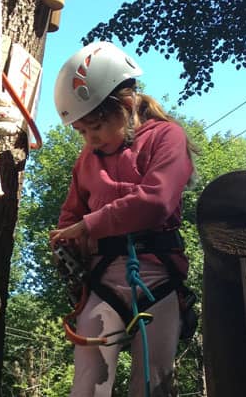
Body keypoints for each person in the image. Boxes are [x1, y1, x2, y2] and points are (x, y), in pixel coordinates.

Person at [49, 42, 195, 397]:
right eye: (81, 132)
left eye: (95, 127)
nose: (89, 140)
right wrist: (65, 240)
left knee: (154, 384)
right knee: (87, 386)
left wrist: (89, 225)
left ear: (126, 106)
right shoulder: (87, 160)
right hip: (103, 281)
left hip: (157, 277)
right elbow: (70, 215)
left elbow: (156, 202)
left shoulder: (166, 137)